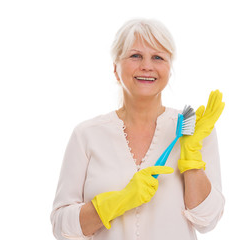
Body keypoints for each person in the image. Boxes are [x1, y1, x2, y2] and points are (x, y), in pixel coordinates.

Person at [50, 18, 225, 240]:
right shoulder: (86, 135)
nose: (147, 66)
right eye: (135, 56)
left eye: (158, 57)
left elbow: (208, 220)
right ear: (115, 68)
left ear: (169, 69)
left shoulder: (192, 132)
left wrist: (191, 159)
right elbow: (61, 227)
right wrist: (119, 201)